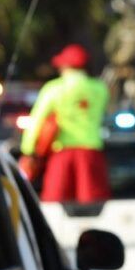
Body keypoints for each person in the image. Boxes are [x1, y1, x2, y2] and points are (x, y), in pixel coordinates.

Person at [20, 44, 111, 203]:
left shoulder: (54, 88)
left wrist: (28, 150)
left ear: (65, 66)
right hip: (92, 152)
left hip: (62, 153)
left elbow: (37, 120)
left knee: (55, 202)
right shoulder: (100, 88)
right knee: (93, 204)